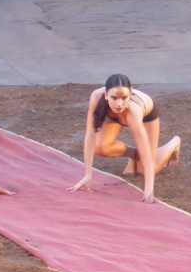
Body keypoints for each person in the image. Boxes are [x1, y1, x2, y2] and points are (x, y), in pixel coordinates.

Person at [68, 74, 181, 203]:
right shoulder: (96, 97)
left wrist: (148, 190)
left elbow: (145, 151)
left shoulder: (134, 112)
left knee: (144, 169)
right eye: (114, 98)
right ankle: (133, 154)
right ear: (106, 95)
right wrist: (87, 175)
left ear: (130, 95)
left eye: (124, 98)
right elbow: (90, 135)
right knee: (100, 147)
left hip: (147, 115)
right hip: (114, 116)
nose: (119, 104)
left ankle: (173, 143)